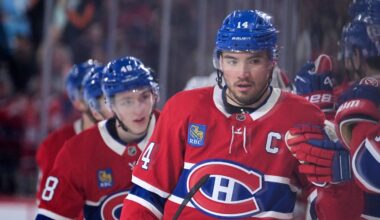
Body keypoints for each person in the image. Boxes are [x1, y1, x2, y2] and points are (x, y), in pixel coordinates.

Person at [121, 9, 325, 219]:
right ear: (219, 61)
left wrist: (336, 184)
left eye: (254, 61)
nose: (242, 73)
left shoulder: (302, 117)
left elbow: (325, 209)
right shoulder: (183, 108)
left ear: (272, 62)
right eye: (232, 60)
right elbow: (144, 199)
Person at [35, 56, 160, 219]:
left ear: (154, 96)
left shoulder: (175, 132)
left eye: (144, 97)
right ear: (110, 105)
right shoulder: (75, 151)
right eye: (127, 101)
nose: (138, 109)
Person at [286, 5, 380, 219]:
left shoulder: (353, 98)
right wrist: (315, 115)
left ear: (355, 53)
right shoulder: (341, 96)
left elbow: (371, 169)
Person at [35, 59, 99, 203]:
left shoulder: (129, 139)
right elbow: (47, 205)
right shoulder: (54, 145)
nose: (97, 99)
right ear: (76, 101)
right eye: (88, 92)